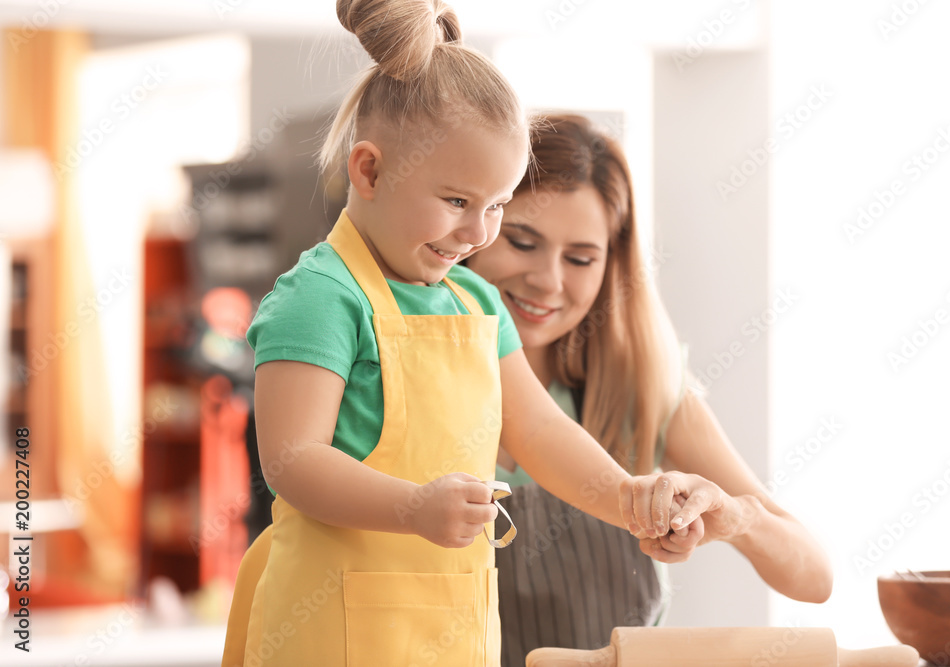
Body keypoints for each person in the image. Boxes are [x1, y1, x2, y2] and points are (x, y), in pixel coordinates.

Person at [222, 4, 704, 666]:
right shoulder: (321, 299)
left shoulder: (474, 299)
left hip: (454, 633)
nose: (480, 233)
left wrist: (625, 498)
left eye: (497, 205)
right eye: (457, 202)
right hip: (331, 635)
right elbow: (291, 462)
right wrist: (413, 506)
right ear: (368, 170)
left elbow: (538, 432)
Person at [463, 114, 834, 666]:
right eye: (522, 242)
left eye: (581, 258)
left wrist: (737, 517)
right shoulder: (413, 374)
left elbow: (814, 577)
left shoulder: (646, 390)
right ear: (475, 227)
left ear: (612, 267)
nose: (549, 280)